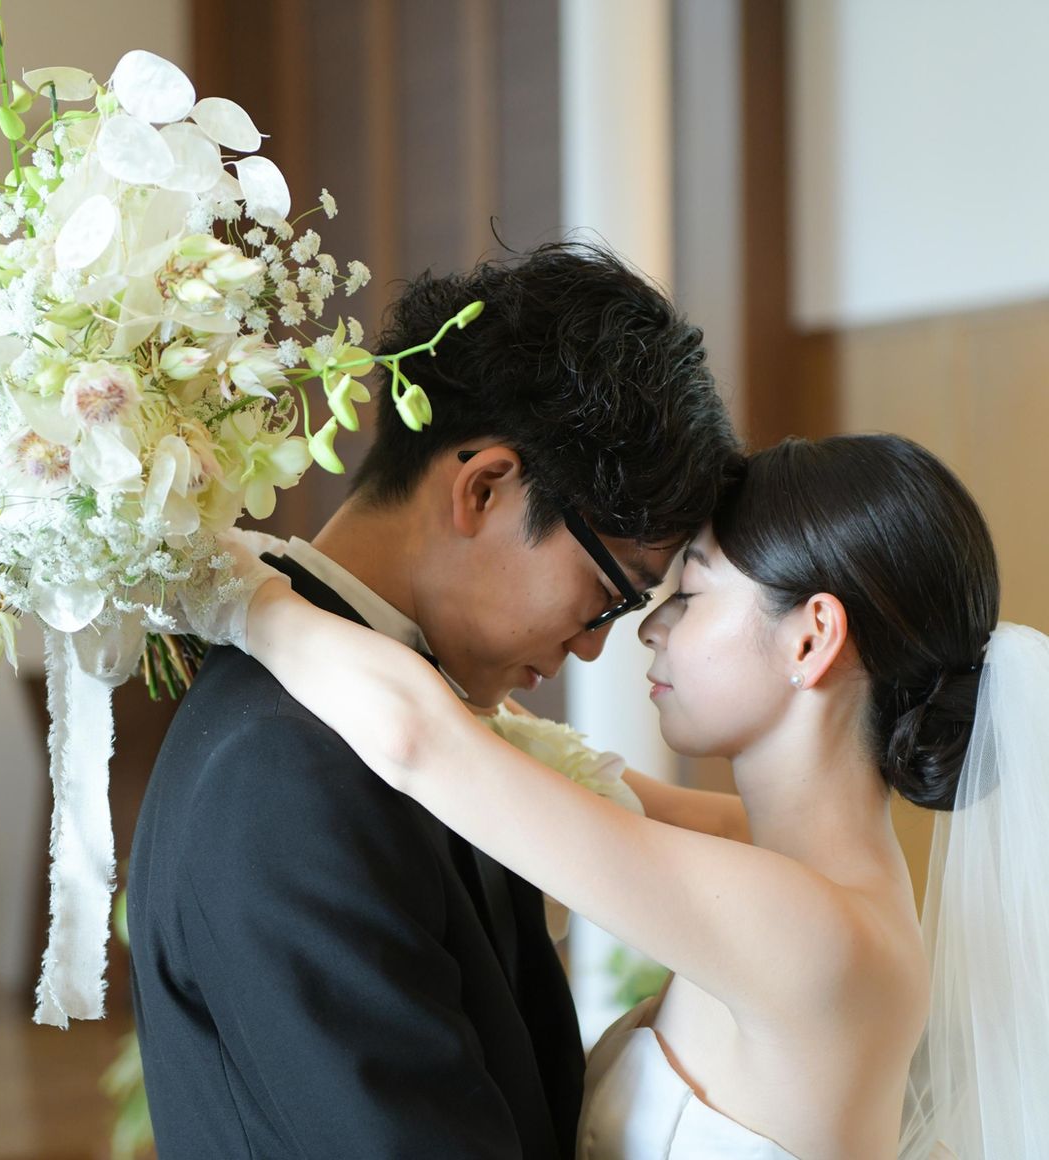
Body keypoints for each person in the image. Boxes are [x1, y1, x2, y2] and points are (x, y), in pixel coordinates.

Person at [232, 432, 1048, 1159]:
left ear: (811, 637)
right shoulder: (775, 861)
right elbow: (534, 759)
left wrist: (231, 588)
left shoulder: (812, 932)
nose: (651, 629)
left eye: (688, 596)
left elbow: (425, 745)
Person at [127, 242, 740, 1159]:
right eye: (611, 591)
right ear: (484, 489)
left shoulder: (401, 716)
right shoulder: (285, 769)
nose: (593, 644)